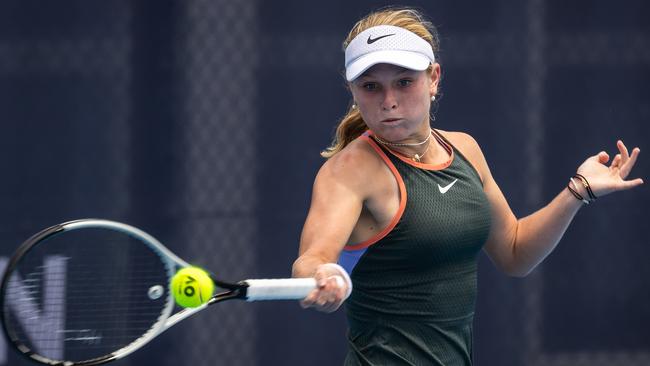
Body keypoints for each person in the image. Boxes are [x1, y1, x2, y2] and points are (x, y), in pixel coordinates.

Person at [291, 7, 643, 366]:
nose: (389, 100)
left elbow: (515, 252)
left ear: (434, 79)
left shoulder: (465, 149)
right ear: (353, 90)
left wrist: (578, 190)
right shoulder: (349, 170)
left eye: (404, 81)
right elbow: (311, 259)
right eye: (370, 87)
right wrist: (324, 276)